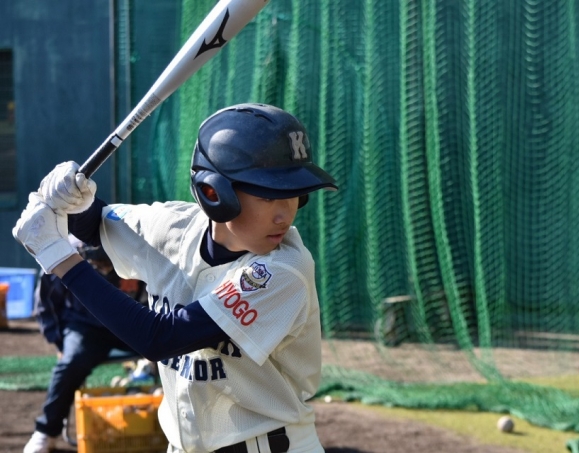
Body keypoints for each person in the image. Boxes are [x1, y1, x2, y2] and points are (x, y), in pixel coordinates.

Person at [13, 103, 338, 453]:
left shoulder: (284, 269)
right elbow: (97, 227)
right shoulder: (174, 227)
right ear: (214, 193)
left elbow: (160, 338)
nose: (284, 215)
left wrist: (57, 256)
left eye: (293, 194)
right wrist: (74, 200)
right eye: (267, 195)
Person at [23, 236, 148, 453]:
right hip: (85, 327)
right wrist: (59, 342)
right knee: (70, 364)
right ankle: (46, 431)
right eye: (101, 264)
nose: (106, 268)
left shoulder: (135, 249)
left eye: (109, 263)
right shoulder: (65, 253)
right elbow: (46, 301)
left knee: (174, 351)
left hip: (129, 322)